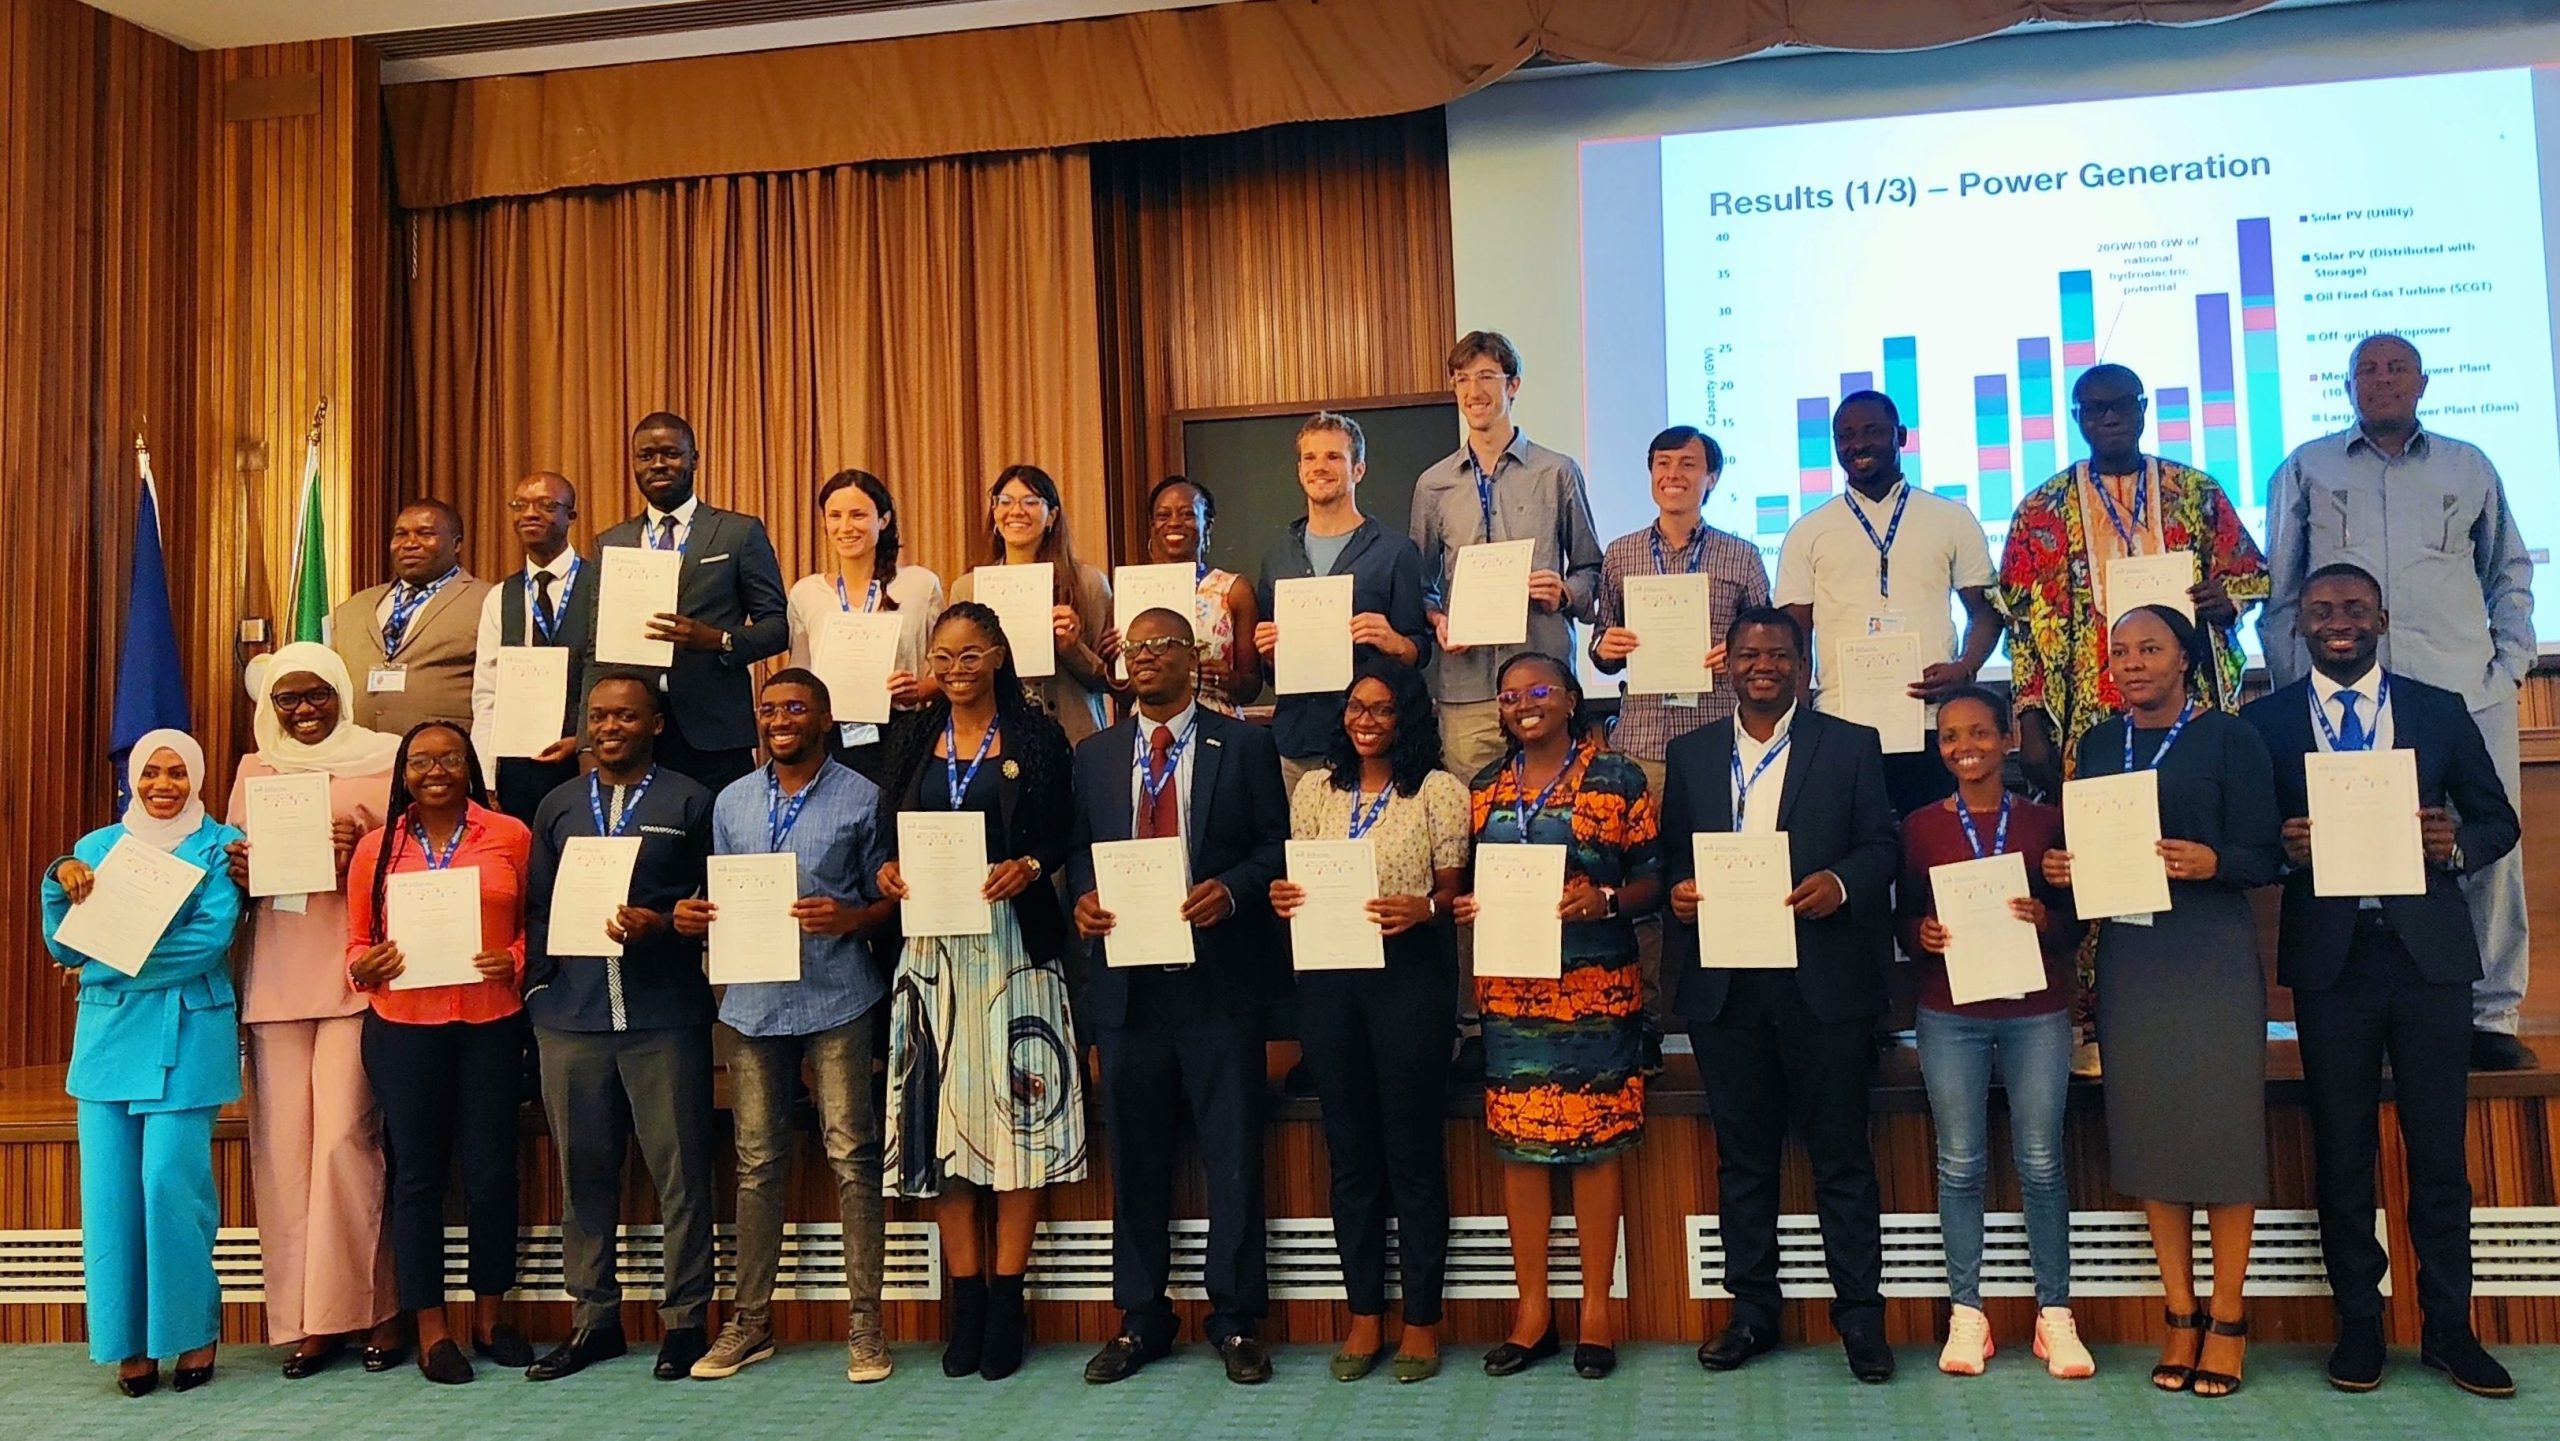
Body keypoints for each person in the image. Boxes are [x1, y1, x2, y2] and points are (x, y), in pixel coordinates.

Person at [2241, 563, 2520, 1398]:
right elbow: (2250, 839)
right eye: (2322, 610)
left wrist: (2455, 844)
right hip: (2333, 963)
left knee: (2439, 1154)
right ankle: (2359, 1327)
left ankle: (2449, 1330)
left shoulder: (2438, 710)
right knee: (2343, 1152)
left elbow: (2497, 818)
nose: (2338, 622)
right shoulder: (2267, 722)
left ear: (2382, 618)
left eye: (2355, 608)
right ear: (2300, 624)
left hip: (2428, 958)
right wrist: (2281, 848)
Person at [2261, 334, 2539, 1071]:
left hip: (2461, 691)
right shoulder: (2306, 467)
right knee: (2342, 845)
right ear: (2348, 385)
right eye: (2368, 370)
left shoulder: (2468, 464)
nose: (2383, 380)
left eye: (2397, 369)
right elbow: (2283, 592)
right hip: (2346, 692)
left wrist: (2507, 667)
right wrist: (2298, 694)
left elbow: (2508, 572)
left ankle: (2492, 1011)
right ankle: (2372, 1000)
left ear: (2423, 381)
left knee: (2482, 844)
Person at [2043, 605, 2283, 1398]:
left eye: (2150, 648)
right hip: (2134, 955)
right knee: (2151, 1133)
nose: (2133, 662)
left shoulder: (2230, 738)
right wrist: (2063, 869)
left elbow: (2266, 853)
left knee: (2224, 1134)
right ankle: (2179, 1315)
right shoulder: (2102, 743)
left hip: (2209, 948)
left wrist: (2213, 858)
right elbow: (2092, 851)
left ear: (2186, 657)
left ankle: (2228, 1315)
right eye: (2120, 651)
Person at [1665, 607, 1900, 1384]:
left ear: (1802, 663)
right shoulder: (1692, 753)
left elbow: (1882, 847)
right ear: (1724, 663)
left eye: (1777, 653)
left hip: (1822, 981)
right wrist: (1681, 893)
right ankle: (1752, 1313)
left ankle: (1861, 1322)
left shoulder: (1851, 745)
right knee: (1744, 1160)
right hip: (1726, 986)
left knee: (1840, 1157)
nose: (1761, 664)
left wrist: (1840, 882)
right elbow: (1671, 862)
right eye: (1747, 653)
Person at [1069, 607, 1290, 1386]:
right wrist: (1085, 900)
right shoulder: (1094, 755)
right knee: (1136, 1158)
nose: (1150, 658)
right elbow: (1077, 852)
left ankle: (1234, 1319)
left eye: (1165, 645)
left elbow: (1275, 849)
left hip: (1218, 984)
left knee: (1233, 1155)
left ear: (1194, 657)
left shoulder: (1248, 746)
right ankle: (1142, 1317)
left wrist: (1231, 890)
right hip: (1127, 989)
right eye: (1137, 648)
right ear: (1124, 662)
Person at [874, 603, 1087, 1383]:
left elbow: (1066, 828)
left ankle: (1007, 1298)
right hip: (930, 952)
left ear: (998, 654)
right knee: (942, 1129)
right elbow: (881, 834)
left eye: (970, 654)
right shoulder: (909, 736)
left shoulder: (1035, 735)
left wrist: (1031, 866)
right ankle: (965, 1299)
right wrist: (885, 875)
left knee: (1019, 1123)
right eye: (943, 654)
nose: (956, 667)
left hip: (1011, 947)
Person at [674, 670, 896, 1384]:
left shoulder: (863, 797)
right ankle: (752, 1322)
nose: (779, 719)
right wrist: (697, 914)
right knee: (757, 1162)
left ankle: (866, 1324)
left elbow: (886, 902)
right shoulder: (730, 802)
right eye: (769, 709)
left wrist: (853, 917)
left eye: (795, 707)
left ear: (826, 719)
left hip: (837, 994)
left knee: (852, 1156)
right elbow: (718, 894)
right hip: (752, 1003)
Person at [1455, 651, 1660, 1382]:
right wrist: (1466, 905)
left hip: (1596, 992)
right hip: (1512, 995)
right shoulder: (1480, 790)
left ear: (1572, 698)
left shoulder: (1620, 777)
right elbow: (1463, 882)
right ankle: (1533, 1311)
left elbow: (1653, 880)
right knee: (1520, 1146)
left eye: (1539, 689)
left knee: (1596, 1145)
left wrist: (1605, 900)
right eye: (1509, 695)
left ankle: (1598, 1309)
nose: (1523, 703)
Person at [1267, 659, 1466, 1383]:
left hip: (1409, 979)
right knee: (1349, 1154)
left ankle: (1421, 1321)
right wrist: (1284, 895)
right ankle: (1363, 1317)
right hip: (1328, 980)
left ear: (1406, 716)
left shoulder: (1440, 791)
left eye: (1382, 709)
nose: (1366, 720)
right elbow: (1297, 874)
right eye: (1356, 707)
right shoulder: (1316, 790)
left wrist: (1426, 909)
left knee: (1410, 1152)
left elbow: (1452, 891)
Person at [521, 673, 718, 1382]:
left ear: (656, 723)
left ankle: (686, 1321)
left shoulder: (690, 800)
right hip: (571, 1017)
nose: (611, 726)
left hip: (663, 1012)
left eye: (627, 715)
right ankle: (594, 1318)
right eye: (599, 716)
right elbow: (537, 909)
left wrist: (662, 925)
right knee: (584, 1175)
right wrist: (541, 989)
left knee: (681, 1174)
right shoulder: (557, 805)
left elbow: (712, 904)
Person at [1895, 688, 2090, 1380]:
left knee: (2041, 1160)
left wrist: (2047, 919)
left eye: (1979, 731)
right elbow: (1904, 922)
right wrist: (1919, 936)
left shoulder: (2046, 822)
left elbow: (2075, 924)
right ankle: (1967, 1314)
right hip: (1950, 1012)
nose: (1964, 745)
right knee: (1960, 1162)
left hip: (2036, 1010)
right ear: (1939, 745)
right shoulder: (1917, 826)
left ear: (2008, 737)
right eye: (1950, 735)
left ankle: (2055, 1315)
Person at [42, 731, 244, 1397]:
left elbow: (206, 942)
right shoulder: (96, 849)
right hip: (105, 1044)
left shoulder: (221, 844)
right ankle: (128, 1342)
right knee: (110, 1196)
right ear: (133, 776)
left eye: (177, 772)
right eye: (151, 771)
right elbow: (59, 940)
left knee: (168, 1183)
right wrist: (59, 881)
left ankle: (191, 1330)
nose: (164, 784)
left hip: (188, 1033)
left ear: (197, 776)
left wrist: (104, 960)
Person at [223, 642, 402, 1376]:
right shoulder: (251, 767)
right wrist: (236, 867)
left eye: (316, 695)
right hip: (275, 974)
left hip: (354, 971)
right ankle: (306, 1319)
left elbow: (419, 858)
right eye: (289, 698)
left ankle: (374, 1308)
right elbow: (232, 873)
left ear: (340, 693)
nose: (303, 710)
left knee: (345, 1142)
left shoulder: (385, 757)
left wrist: (363, 844)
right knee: (285, 1151)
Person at [341, 721, 537, 1384]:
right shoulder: (377, 848)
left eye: (449, 757)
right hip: (404, 1027)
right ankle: (431, 1328)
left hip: (490, 1021)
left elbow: (532, 926)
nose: (435, 770)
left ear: (469, 765)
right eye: (420, 759)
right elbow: (355, 946)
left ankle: (490, 1316)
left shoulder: (510, 834)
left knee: (490, 1175)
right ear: (403, 771)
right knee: (417, 1178)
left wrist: (511, 958)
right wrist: (366, 963)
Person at [1998, 365, 2270, 799]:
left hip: (2184, 692)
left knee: (2192, 804)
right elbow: (2022, 628)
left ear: (2142, 410)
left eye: (2122, 405)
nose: (2109, 418)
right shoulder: (2040, 509)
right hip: (2085, 705)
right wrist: (2029, 722)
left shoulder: (2196, 492)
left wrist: (2227, 601)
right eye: (2095, 409)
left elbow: (2250, 574)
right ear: (2078, 418)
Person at [1590, 424, 1772, 1070]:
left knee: (1710, 883)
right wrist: (1604, 648)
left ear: (1711, 477)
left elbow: (1768, 644)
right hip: (1640, 744)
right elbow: (1602, 649)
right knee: (1640, 889)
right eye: (1662, 463)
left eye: (1688, 464)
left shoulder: (1741, 556)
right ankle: (1641, 1020)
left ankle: (1720, 1011)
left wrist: (1740, 654)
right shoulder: (1619, 554)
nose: (1674, 474)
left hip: (1715, 742)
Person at [1776, 391, 2000, 815]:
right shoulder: (1809, 532)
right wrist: (1802, 724)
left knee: (1931, 858)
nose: (1857, 444)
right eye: (1845, 436)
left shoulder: (1951, 518)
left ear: (1901, 436)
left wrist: (1964, 668)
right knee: (1858, 861)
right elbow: (1794, 638)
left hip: (1932, 722)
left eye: (1872, 432)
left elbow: (1985, 613)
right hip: (1842, 726)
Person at [1411, 331, 1604, 781]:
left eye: (1486, 377)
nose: (1473, 392)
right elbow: (1421, 585)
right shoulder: (1433, 484)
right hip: (1467, 688)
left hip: (1544, 679)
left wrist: (1564, 591)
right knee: (1475, 820)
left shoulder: (1557, 471)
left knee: (1552, 814)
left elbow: (1591, 568)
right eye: (1462, 379)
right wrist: (1437, 619)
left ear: (1512, 385)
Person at [595, 412, 790, 794]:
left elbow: (777, 628)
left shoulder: (738, 532)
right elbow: (594, 646)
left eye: (671, 453)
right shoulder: (611, 542)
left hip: (714, 732)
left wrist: (718, 640)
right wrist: (590, 739)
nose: (658, 464)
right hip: (634, 730)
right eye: (646, 456)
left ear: (694, 459)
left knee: (717, 847)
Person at [1254, 411, 1432, 796]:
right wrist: (1268, 653)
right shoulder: (1278, 556)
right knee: (1302, 854)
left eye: (1333, 457)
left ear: (1358, 470)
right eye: (1310, 458)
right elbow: (1271, 671)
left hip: (1373, 745)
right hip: (1298, 742)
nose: (1320, 467)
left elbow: (1420, 650)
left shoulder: (1394, 551)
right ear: (1299, 469)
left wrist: (1394, 641)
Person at [784, 468, 945, 780]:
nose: (846, 527)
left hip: (902, 730)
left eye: (858, 515)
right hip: (829, 736)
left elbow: (946, 667)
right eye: (835, 516)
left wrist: (919, 688)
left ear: (883, 520)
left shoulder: (920, 585)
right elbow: (800, 669)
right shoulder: (806, 592)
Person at [949, 464, 1115, 744]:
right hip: (996, 740)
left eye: (1030, 502)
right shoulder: (968, 588)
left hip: (1073, 740)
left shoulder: (1088, 583)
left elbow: (1111, 682)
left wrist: (1073, 649)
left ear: (1052, 516)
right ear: (994, 512)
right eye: (1005, 502)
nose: (1016, 511)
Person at [469, 471, 593, 820]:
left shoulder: (600, 586)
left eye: (545, 505)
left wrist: (582, 739)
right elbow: (487, 694)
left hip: (585, 760)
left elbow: (619, 678)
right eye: (519, 504)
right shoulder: (501, 597)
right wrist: (486, 778)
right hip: (518, 770)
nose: (530, 513)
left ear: (571, 516)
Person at [331, 499, 492, 737]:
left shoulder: (488, 600)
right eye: (401, 535)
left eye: (425, 534)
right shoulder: (354, 607)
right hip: (360, 757)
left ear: (456, 544)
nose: (410, 544)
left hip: (444, 759)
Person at [1104, 476, 1260, 716]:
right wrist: (1110, 664)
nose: (1174, 523)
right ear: (1153, 526)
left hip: (1217, 724)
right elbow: (1124, 694)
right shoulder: (1131, 591)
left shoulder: (1233, 590)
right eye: (1163, 516)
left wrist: (1229, 679)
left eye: (1187, 514)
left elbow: (1252, 687)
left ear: (1207, 524)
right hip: (1150, 727)